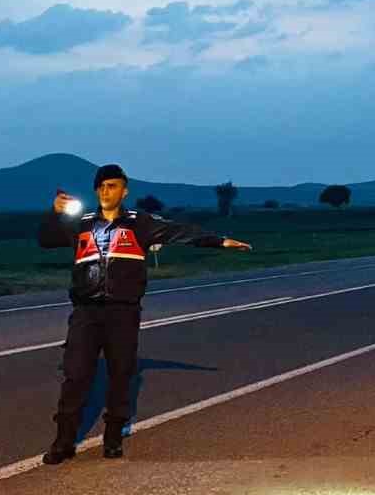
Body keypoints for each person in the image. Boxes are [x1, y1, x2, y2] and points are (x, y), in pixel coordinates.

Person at [37, 164, 252, 463]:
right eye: (101, 186)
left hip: (122, 312)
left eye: (112, 186)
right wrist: (54, 213)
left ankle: (112, 437)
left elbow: (180, 231)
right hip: (85, 311)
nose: (105, 191)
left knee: (121, 373)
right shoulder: (82, 223)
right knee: (75, 375)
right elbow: (45, 240)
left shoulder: (140, 223)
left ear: (124, 191)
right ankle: (63, 441)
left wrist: (219, 241)